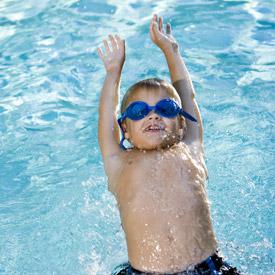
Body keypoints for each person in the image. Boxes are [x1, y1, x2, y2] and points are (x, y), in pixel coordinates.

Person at [97, 14, 241, 275]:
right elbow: (106, 120)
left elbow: (188, 96)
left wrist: (171, 51)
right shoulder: (119, 163)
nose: (153, 115)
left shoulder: (191, 150)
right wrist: (113, 73)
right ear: (124, 129)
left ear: (183, 123)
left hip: (208, 269)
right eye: (139, 111)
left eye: (165, 108)